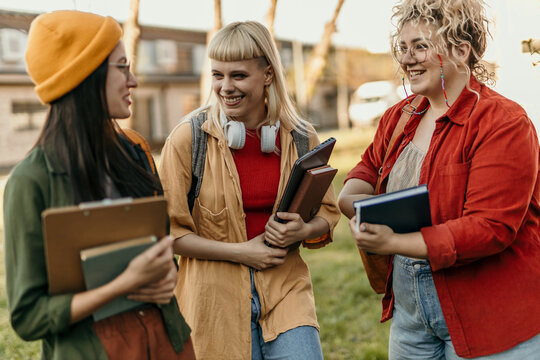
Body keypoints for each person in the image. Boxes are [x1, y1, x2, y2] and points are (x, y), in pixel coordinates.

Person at [338, 0, 540, 359]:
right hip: (410, 318)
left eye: (420, 46)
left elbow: (491, 227)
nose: (407, 59)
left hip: (490, 316)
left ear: (461, 51)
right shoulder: (399, 117)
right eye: (403, 47)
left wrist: (393, 239)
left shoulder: (503, 122)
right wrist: (361, 208)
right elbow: (363, 175)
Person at [3, 10, 194, 359]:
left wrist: (168, 275)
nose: (133, 80)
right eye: (122, 67)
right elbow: (28, 316)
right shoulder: (29, 182)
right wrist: (124, 284)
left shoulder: (136, 152)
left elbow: (163, 253)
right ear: (85, 75)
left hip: (169, 343)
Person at [160, 21, 340, 360]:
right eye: (217, 75)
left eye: (238, 76)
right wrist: (243, 252)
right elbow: (168, 234)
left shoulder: (301, 138)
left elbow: (328, 215)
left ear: (268, 74)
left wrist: (304, 229)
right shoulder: (188, 138)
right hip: (213, 303)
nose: (225, 87)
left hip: (286, 291)